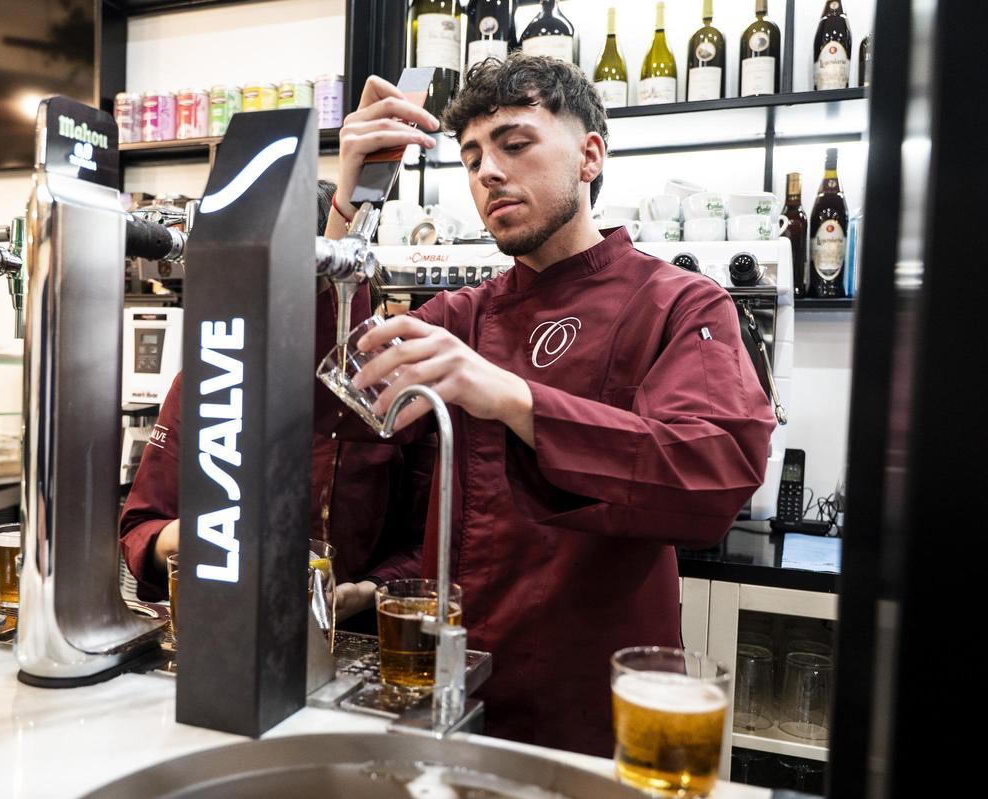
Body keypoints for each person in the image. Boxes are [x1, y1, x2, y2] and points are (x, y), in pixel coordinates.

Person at [317, 55, 776, 756]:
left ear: (590, 155)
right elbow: (328, 404)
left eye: (514, 143)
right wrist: (345, 214)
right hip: (452, 697)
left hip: (592, 711)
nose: (488, 173)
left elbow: (712, 470)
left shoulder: (681, 304)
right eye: (472, 158)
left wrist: (515, 398)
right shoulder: (460, 316)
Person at [119, 181, 433, 604]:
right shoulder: (206, 383)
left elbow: (430, 542)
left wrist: (371, 590)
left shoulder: (391, 390)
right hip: (226, 617)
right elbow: (140, 528)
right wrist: (192, 535)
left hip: (354, 629)